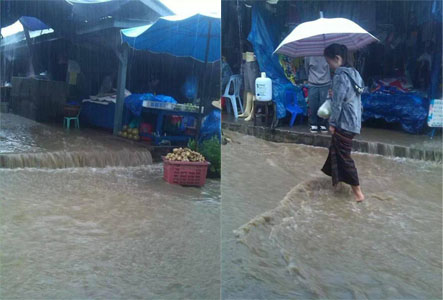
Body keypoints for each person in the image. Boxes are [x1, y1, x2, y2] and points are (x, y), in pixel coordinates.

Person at [321, 44, 365, 202]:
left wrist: (332, 123)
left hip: (344, 122)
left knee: (344, 157)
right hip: (354, 121)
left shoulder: (340, 75)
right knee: (335, 150)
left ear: (338, 59)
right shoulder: (355, 74)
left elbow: (338, 103)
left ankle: (358, 193)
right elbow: (355, 96)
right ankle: (336, 185)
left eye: (329, 62)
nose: (329, 66)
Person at [304, 56, 331, 133]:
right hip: (313, 83)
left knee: (323, 105)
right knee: (313, 104)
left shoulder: (327, 55)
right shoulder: (308, 56)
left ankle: (323, 123)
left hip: (326, 83)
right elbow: (307, 69)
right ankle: (313, 123)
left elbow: (331, 68)